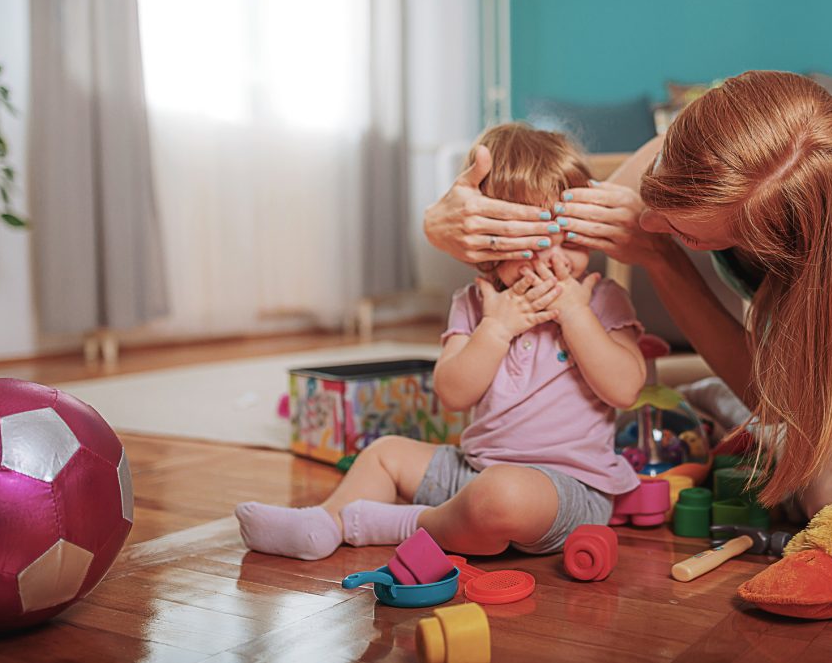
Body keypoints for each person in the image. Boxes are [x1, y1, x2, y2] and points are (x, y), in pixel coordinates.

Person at [424, 71, 832, 517]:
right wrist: (441, 225)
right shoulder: (703, 146)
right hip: (785, 385)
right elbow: (544, 223)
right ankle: (727, 422)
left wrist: (660, 260)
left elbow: (783, 399)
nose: (648, 222)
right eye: (657, 200)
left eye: (687, 234)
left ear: (779, 237)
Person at [236, 123, 644, 559]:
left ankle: (407, 524)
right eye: (532, 240)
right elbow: (452, 393)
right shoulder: (475, 302)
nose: (554, 258)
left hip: (566, 490)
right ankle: (325, 522)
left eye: (570, 239)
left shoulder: (600, 299)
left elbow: (624, 388)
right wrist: (497, 328)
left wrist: (576, 315)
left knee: (500, 495)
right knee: (385, 452)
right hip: (472, 470)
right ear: (490, 241)